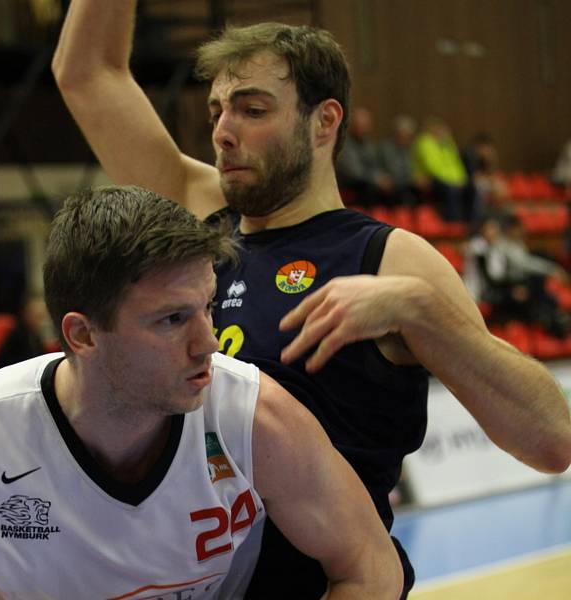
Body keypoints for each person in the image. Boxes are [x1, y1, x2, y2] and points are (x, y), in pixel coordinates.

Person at [52, 3, 571, 597]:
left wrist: (420, 310)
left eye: (252, 109)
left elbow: (552, 440)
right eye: (217, 110)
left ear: (324, 123)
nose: (223, 131)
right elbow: (87, 74)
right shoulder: (197, 211)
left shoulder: (391, 259)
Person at [0, 186, 403, 599]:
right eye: (173, 319)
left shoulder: (255, 415)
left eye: (208, 307)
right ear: (82, 335)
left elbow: (373, 568)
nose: (209, 343)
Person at [411, 117, 471, 222]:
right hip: (431, 179)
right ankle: (452, 223)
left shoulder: (447, 144)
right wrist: (452, 182)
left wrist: (461, 180)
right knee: (450, 191)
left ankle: (469, 223)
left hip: (450, 179)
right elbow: (433, 167)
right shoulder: (425, 142)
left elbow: (456, 163)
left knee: (471, 189)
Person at [336, 106, 393, 205]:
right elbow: (354, 172)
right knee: (370, 189)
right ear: (352, 125)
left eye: (365, 125)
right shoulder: (345, 144)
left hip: (368, 181)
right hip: (351, 184)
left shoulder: (368, 144)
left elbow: (375, 164)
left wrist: (382, 178)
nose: (363, 129)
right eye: (360, 125)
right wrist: (376, 179)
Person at [0, 295, 55, 370]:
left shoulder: (35, 336)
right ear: (27, 315)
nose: (42, 322)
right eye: (38, 317)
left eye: (43, 317)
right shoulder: (16, 335)